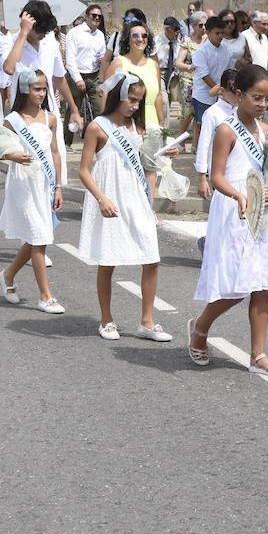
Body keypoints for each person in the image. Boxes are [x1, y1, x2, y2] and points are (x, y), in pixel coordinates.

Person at [187, 65, 268, 378]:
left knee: (263, 284)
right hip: (234, 211)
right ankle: (200, 327)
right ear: (241, 95)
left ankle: (258, 354)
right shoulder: (226, 129)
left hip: (261, 213)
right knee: (235, 286)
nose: (262, 104)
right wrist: (238, 195)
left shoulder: (267, 132)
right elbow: (217, 175)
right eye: (256, 98)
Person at [78, 70, 176, 342]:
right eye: (130, 99)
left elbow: (147, 164)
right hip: (110, 198)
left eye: (138, 101)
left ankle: (147, 321)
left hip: (136, 199)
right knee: (108, 261)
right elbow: (84, 171)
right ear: (118, 96)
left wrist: (165, 153)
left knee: (151, 258)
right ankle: (106, 319)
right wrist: (102, 198)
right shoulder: (97, 127)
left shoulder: (140, 129)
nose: (134, 106)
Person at [0, 69, 66, 313]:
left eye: (44, 88)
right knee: (39, 238)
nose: (41, 93)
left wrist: (58, 186)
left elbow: (55, 153)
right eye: (37, 88)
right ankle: (45, 296)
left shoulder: (50, 119)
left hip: (44, 184)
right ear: (25, 89)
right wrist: (12, 155)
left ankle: (7, 275)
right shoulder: (12, 120)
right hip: (22, 184)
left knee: (37, 235)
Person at [0, 0, 82, 174]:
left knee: (55, 168)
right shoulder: (16, 41)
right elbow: (8, 68)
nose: (44, 34)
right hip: (23, 117)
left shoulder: (50, 40)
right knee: (28, 173)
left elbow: (59, 78)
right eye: (40, 31)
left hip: (49, 113)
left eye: (46, 30)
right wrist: (23, 33)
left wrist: (74, 109)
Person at [103, 19, 164, 129]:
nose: (140, 39)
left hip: (152, 122)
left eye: (144, 35)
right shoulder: (117, 64)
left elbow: (158, 96)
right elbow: (105, 95)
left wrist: (161, 123)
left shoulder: (154, 65)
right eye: (135, 35)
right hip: (125, 124)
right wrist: (104, 125)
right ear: (127, 39)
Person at [195, 69, 239, 200]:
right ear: (222, 90)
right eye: (233, 91)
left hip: (239, 171)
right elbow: (203, 145)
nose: (237, 96)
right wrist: (202, 178)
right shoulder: (212, 113)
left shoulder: (241, 112)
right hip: (219, 173)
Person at [189, 16, 231, 148]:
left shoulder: (226, 50)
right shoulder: (201, 52)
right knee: (201, 124)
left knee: (219, 125)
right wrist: (219, 89)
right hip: (204, 95)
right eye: (217, 33)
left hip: (221, 95)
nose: (220, 36)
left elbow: (229, 71)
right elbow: (204, 75)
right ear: (208, 32)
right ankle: (198, 151)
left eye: (222, 33)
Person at [65, 5, 107, 125]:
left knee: (100, 109)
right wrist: (78, 79)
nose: (97, 18)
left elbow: (103, 55)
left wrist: (102, 60)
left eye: (99, 16)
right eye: (94, 15)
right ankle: (67, 141)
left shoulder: (100, 35)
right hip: (77, 76)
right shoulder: (74, 33)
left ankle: (101, 139)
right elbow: (70, 60)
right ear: (86, 16)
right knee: (74, 110)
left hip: (94, 76)